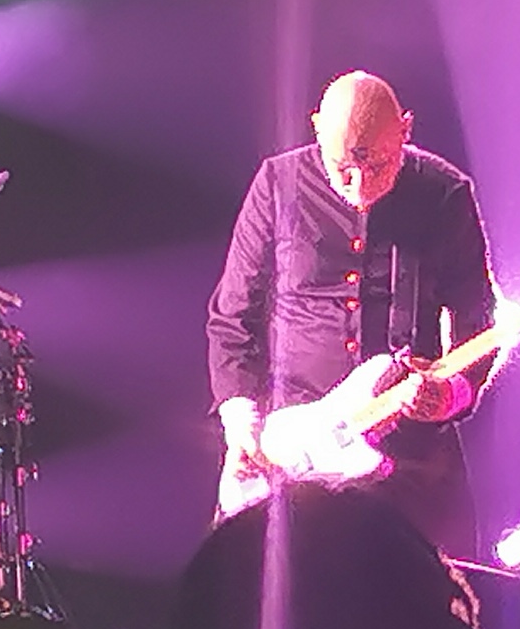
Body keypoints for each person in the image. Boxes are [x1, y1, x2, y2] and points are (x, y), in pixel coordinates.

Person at [207, 70, 494, 555]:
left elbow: (477, 321)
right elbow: (233, 317)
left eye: (379, 165)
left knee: (438, 589)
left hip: (408, 446)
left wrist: (451, 396)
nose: (360, 183)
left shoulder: (444, 194)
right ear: (316, 128)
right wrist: (242, 424)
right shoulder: (278, 184)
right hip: (293, 441)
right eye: (342, 168)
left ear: (405, 130)